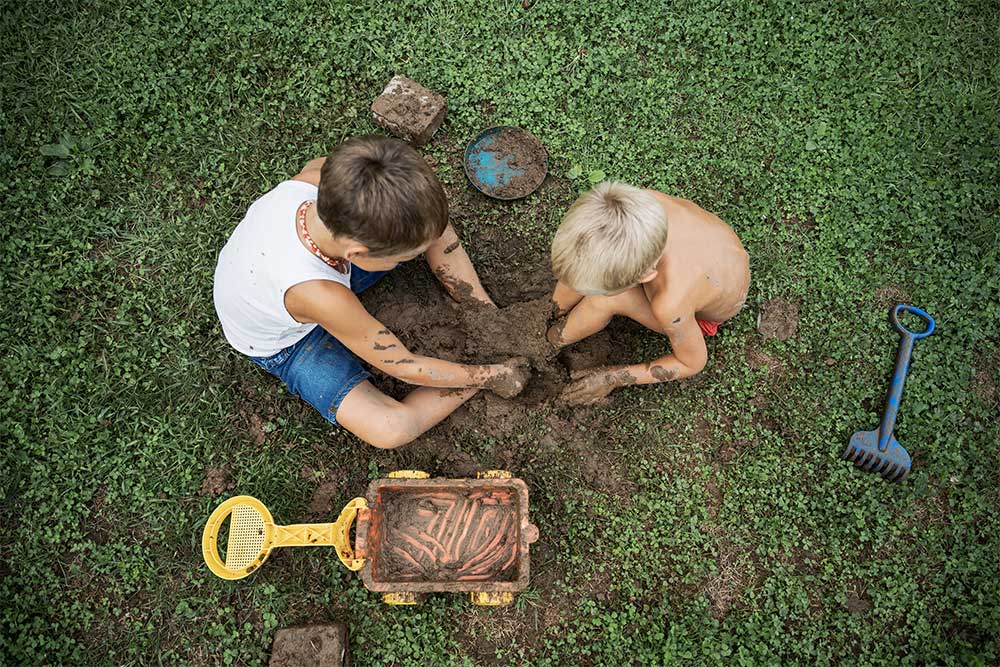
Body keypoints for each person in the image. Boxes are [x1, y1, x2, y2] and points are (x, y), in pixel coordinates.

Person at [214, 136, 530, 448]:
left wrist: (490, 323)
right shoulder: (320, 294)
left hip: (298, 272)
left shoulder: (325, 179)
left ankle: (483, 311)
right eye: (404, 258)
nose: (412, 258)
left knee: (430, 224)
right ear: (358, 254)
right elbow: (403, 365)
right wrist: (487, 375)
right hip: (285, 341)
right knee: (392, 428)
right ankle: (482, 377)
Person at [547, 181, 749, 404]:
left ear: (643, 278)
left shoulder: (671, 304)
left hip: (707, 307)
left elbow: (692, 362)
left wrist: (612, 378)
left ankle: (547, 343)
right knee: (585, 273)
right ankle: (549, 313)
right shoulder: (636, 208)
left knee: (602, 301)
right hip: (714, 252)